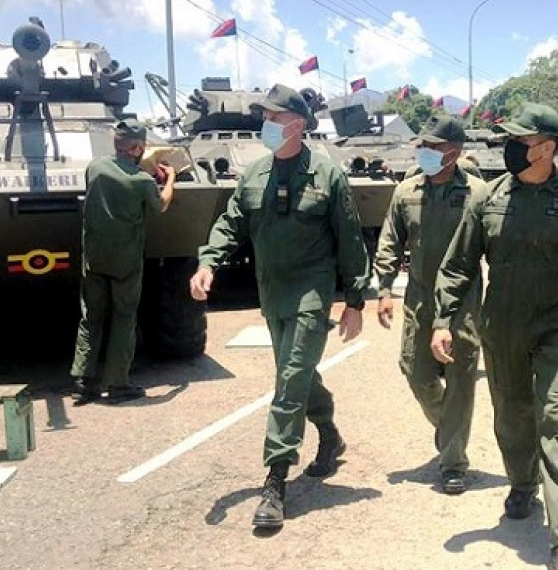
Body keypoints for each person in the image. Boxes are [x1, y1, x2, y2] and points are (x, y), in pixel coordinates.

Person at [431, 102, 558, 570]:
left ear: (547, 148)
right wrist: (441, 320)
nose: (508, 147)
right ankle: (523, 483)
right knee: (512, 417)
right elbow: (457, 266)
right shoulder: (486, 198)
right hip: (504, 326)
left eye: (520, 140)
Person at [189, 83, 369, 530]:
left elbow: (350, 239)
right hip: (273, 294)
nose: (265, 124)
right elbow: (231, 222)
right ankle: (330, 435)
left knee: (289, 381)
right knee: (298, 373)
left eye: (273, 117)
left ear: (299, 124)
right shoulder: (254, 175)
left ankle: (275, 480)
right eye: (263, 117)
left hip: (312, 293)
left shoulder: (327, 175)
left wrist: (356, 299)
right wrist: (208, 262)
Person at [373, 115, 487, 494]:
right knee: (416, 373)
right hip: (419, 298)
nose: (424, 152)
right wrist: (385, 287)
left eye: (433, 147)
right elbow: (390, 240)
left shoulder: (479, 193)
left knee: (460, 380)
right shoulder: (406, 192)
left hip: (464, 302)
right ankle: (447, 425)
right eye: (422, 146)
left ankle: (453, 461)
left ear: (453, 152)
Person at [70, 119, 175, 405]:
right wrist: (170, 179)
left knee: (91, 316)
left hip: (94, 257)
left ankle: (83, 379)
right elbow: (161, 204)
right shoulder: (141, 181)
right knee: (123, 318)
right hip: (125, 261)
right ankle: (117, 384)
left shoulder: (95, 167)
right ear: (138, 147)